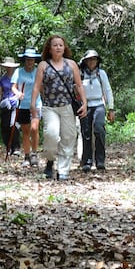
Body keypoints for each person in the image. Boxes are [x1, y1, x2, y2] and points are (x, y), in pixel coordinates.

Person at [30, 34, 87, 181]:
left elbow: (79, 85)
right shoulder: (43, 65)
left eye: (60, 45)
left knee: (68, 138)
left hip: (67, 106)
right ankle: (49, 160)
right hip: (50, 107)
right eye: (55, 45)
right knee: (51, 135)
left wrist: (85, 103)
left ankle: (63, 171)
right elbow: (37, 86)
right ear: (49, 48)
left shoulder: (71, 64)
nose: (58, 47)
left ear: (64, 47)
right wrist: (33, 104)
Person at [78, 49, 115, 172]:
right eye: (89, 59)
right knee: (86, 132)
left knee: (99, 129)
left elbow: (108, 90)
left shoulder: (101, 74)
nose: (91, 62)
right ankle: (87, 161)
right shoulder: (81, 74)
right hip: (85, 105)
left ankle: (100, 160)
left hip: (99, 104)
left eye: (94, 59)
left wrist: (111, 108)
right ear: (85, 61)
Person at [12, 48, 42, 167]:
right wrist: (17, 93)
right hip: (23, 104)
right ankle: (27, 155)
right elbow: (13, 87)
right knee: (25, 131)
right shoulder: (18, 72)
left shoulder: (38, 71)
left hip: (36, 104)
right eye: (28, 59)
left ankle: (34, 153)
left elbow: (42, 87)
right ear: (25, 60)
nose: (30, 62)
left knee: (34, 128)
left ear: (34, 60)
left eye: (32, 59)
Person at [0, 57, 20, 160]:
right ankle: (8, 146)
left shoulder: (18, 78)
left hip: (16, 104)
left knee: (14, 125)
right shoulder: (2, 79)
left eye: (10, 67)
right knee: (4, 127)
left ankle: (16, 147)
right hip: (5, 104)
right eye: (7, 67)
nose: (9, 68)